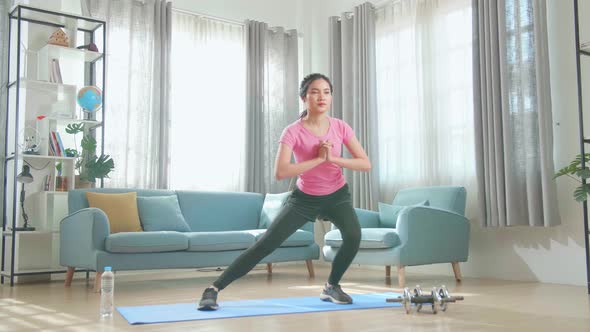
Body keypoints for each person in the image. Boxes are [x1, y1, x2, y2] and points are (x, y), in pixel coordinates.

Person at [198, 73, 371, 311]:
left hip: (337, 195)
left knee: (353, 235)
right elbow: (281, 172)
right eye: (314, 92)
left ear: (331, 97)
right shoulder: (293, 131)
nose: (321, 97)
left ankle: (332, 286)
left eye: (326, 92)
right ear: (303, 97)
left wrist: (333, 158)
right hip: (304, 199)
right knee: (266, 244)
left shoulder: (340, 127)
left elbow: (365, 163)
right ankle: (214, 288)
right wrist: (319, 160)